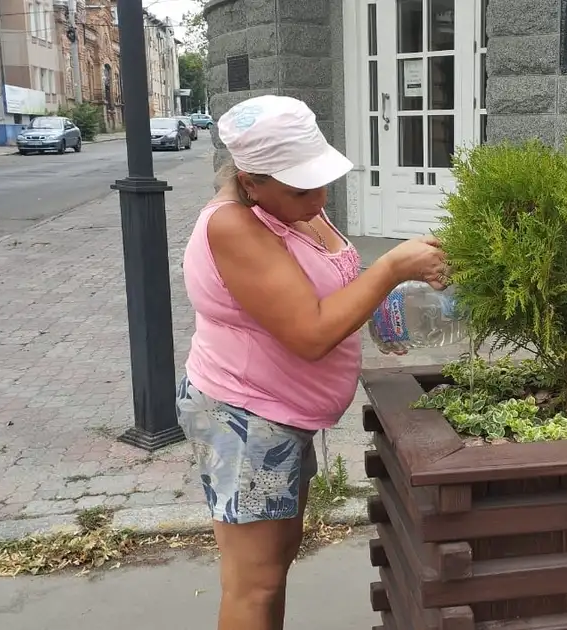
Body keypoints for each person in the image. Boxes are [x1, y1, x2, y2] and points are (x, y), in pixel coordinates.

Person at [176, 94, 446, 630]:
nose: (319, 197)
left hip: (283, 419)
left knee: (276, 564)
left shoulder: (290, 203)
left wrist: (379, 307)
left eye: (321, 181)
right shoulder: (233, 226)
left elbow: (330, 282)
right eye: (303, 188)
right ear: (251, 181)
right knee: (254, 583)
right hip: (244, 417)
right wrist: (391, 267)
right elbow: (310, 334)